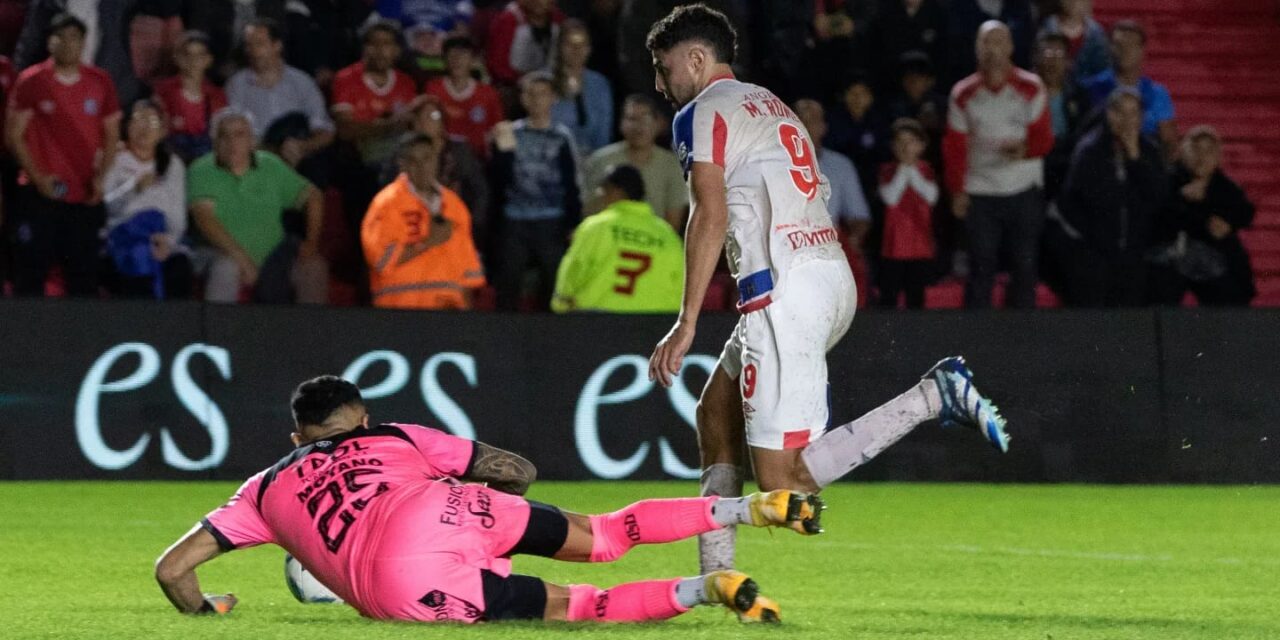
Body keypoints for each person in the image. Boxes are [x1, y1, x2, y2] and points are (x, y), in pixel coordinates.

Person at [644, 4, 1009, 574]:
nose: (659, 84)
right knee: (715, 412)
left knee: (781, 485)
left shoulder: (700, 112)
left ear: (695, 59)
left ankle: (933, 396)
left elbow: (708, 215)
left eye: (663, 68)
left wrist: (686, 320)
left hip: (783, 292)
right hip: (828, 275)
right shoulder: (771, 104)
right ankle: (717, 580)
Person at [154, 375, 820, 623]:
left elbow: (172, 570)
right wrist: (483, 518)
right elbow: (516, 468)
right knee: (607, 533)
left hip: (397, 585)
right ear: (360, 420)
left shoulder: (263, 490)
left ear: (297, 438)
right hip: (445, 510)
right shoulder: (394, 435)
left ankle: (708, 590)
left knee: (582, 606)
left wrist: (206, 611)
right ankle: (751, 508)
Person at [6, 13, 121, 297]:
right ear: (50, 42)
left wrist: (101, 178)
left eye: (74, 38)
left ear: (83, 43)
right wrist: (39, 178)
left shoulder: (100, 81)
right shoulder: (32, 80)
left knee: (83, 275)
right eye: (60, 37)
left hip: (84, 194)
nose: (68, 43)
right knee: (31, 271)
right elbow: (14, 135)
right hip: (41, 193)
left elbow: (111, 134)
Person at [943, 21, 1054, 309]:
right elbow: (955, 147)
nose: (993, 49)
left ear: (1011, 47)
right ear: (977, 49)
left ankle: (1022, 328)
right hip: (980, 191)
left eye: (999, 41)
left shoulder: (1031, 87)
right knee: (981, 265)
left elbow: (1044, 139)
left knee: (1025, 264)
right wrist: (957, 190)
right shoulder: (962, 93)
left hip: (1023, 188)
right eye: (987, 42)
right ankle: (977, 330)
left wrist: (1025, 149)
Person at [187, 108, 328, 305]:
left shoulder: (270, 165)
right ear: (214, 142)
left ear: (252, 141)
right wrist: (242, 260)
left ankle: (311, 326)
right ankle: (217, 325)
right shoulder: (202, 169)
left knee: (313, 266)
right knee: (226, 267)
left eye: (239, 135)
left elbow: (313, 196)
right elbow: (205, 219)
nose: (232, 143)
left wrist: (311, 243)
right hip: (218, 252)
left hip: (274, 257)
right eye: (224, 136)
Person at [1053, 89, 1167, 307]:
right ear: (1109, 114)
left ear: (1141, 117)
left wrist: (1134, 159)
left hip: (1133, 253)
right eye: (1120, 112)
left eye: (1133, 113)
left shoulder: (1149, 151)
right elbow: (1092, 200)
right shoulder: (1089, 149)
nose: (1127, 120)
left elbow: (1158, 194)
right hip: (1093, 252)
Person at [362, 133, 486, 310]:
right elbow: (381, 260)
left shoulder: (454, 205)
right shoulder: (386, 204)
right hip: (399, 311)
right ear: (403, 165)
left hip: (448, 312)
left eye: (427, 158)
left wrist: (466, 316)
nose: (422, 167)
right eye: (414, 161)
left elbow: (467, 271)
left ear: (436, 159)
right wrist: (427, 242)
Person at [490, 71, 581, 310]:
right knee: (509, 281)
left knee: (553, 283)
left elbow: (572, 182)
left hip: (551, 219)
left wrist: (573, 222)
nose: (537, 100)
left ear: (552, 98)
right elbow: (499, 180)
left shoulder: (562, 137)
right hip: (515, 218)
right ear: (523, 98)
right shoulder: (510, 132)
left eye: (542, 94)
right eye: (531, 94)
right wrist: (502, 152)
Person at [1148, 126, 1256, 307]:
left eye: (1209, 151)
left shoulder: (1224, 186)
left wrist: (1226, 224)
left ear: (1218, 157)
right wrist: (1184, 199)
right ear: (1183, 151)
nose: (1202, 157)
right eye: (1196, 149)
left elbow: (1245, 212)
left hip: (1215, 258)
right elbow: (1160, 215)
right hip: (1172, 257)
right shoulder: (1168, 180)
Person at [552, 165, 684, 313]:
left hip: (598, 317)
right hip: (654, 319)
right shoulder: (667, 234)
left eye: (603, 189)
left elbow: (573, 269)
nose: (600, 195)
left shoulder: (595, 227)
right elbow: (680, 283)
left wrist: (561, 305)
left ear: (616, 191)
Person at [102, 99, 192, 299]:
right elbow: (107, 204)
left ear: (162, 131)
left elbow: (177, 214)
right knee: (137, 258)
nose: (144, 128)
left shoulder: (173, 164)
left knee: (179, 268)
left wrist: (169, 240)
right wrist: (133, 188)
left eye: (151, 122)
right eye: (138, 121)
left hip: (161, 236)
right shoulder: (114, 158)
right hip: (123, 234)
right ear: (127, 127)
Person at [225, 18, 335, 165]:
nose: (253, 51)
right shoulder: (236, 85)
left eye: (259, 44)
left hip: (302, 158)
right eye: (248, 45)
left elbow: (324, 129)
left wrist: (302, 146)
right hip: (258, 162)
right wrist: (275, 152)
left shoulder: (301, 81)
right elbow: (233, 133)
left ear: (277, 45)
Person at [581, 93, 688, 228]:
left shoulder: (672, 165)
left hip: (653, 238)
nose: (638, 126)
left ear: (658, 123)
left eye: (645, 119)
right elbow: (589, 213)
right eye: (631, 119)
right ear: (621, 123)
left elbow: (672, 223)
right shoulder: (600, 161)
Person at [331, 19, 422, 173]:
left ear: (396, 50)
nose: (380, 50)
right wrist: (387, 126)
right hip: (358, 160)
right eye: (373, 44)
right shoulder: (346, 78)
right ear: (364, 49)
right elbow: (345, 130)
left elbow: (411, 124)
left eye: (386, 44)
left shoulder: (406, 82)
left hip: (399, 152)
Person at [1080, 21, 1177, 157]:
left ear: (1142, 50)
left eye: (1131, 45)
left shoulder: (1158, 93)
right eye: (1118, 45)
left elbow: (1168, 143)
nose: (1125, 51)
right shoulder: (1091, 88)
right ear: (1109, 48)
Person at [878, 118, 939, 309]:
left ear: (921, 145)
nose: (905, 147)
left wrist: (911, 169)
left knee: (916, 298)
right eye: (900, 142)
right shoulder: (887, 170)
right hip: (893, 245)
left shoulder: (927, 170)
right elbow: (891, 198)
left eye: (911, 141)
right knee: (889, 297)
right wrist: (904, 169)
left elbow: (931, 196)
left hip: (919, 245)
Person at [151, 31, 229, 164]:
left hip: (206, 160)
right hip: (170, 159)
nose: (193, 61)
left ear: (208, 60)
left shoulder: (217, 96)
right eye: (187, 55)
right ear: (178, 58)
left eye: (199, 55)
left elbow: (221, 134)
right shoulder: (163, 91)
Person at [424, 36, 505, 158]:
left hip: (477, 159)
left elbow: (499, 130)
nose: (457, 60)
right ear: (444, 59)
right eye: (451, 55)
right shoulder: (433, 89)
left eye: (462, 55)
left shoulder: (488, 93)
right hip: (440, 156)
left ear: (473, 60)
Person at [549, 19, 613, 155]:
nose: (576, 50)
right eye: (570, 44)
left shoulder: (600, 84)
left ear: (589, 48)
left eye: (582, 44)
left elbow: (603, 131)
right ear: (559, 47)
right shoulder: (546, 82)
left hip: (592, 157)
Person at [1038, 0, 1109, 84]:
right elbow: (1038, 60)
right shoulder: (1048, 27)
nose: (1074, 4)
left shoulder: (1096, 32)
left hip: (1087, 88)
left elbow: (1102, 67)